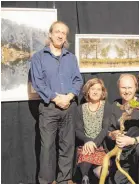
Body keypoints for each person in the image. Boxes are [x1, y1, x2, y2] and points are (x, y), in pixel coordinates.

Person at [30, 21, 83, 184]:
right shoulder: (38, 57)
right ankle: (46, 181)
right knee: (47, 148)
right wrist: (56, 98)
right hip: (48, 108)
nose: (60, 35)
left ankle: (64, 179)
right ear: (50, 34)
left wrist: (68, 97)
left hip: (69, 107)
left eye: (64, 33)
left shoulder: (71, 57)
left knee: (67, 145)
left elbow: (78, 80)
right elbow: (37, 82)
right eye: (57, 32)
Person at [75, 78, 112, 184]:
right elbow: (77, 130)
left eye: (98, 89)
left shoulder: (107, 107)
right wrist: (88, 141)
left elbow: (106, 129)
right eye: (92, 89)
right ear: (87, 91)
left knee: (101, 172)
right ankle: (85, 177)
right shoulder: (79, 109)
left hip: (101, 146)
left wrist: (94, 143)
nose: (95, 92)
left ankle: (94, 176)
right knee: (85, 154)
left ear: (102, 92)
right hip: (85, 145)